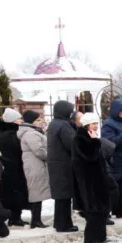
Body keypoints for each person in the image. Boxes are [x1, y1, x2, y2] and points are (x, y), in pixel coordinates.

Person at [72, 113, 112, 243]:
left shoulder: (89, 135)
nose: (96, 126)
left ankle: (101, 236)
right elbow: (90, 157)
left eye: (96, 123)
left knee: (101, 210)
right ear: (86, 124)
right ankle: (91, 238)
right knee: (93, 210)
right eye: (93, 123)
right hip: (89, 180)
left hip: (97, 179)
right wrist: (96, 142)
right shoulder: (80, 138)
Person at [46, 100, 78, 233]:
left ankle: (59, 222)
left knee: (60, 196)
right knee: (65, 196)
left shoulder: (54, 124)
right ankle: (64, 224)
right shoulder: (64, 125)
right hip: (64, 164)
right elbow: (71, 143)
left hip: (56, 163)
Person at [0, 108, 28, 227]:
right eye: (19, 119)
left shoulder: (10, 133)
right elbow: (17, 149)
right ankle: (14, 217)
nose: (21, 120)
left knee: (15, 192)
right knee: (13, 192)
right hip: (12, 167)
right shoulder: (9, 135)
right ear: (12, 121)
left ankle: (16, 216)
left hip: (13, 166)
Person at [18, 110, 50, 228]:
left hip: (34, 164)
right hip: (35, 165)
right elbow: (39, 150)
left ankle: (36, 219)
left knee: (37, 192)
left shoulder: (32, 132)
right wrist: (49, 156)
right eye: (37, 119)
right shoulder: (31, 133)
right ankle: (36, 220)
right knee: (36, 193)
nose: (40, 121)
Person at [101, 98, 122, 220]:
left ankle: (121, 211)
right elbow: (109, 142)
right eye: (121, 111)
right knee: (112, 187)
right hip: (115, 160)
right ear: (115, 111)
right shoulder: (108, 123)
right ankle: (108, 212)